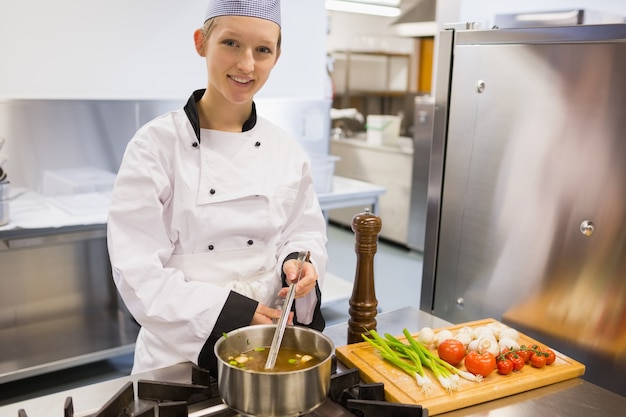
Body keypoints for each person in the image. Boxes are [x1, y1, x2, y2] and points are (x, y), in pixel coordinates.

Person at [107, 0, 327, 376]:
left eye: (262, 50)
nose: (246, 64)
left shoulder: (285, 149)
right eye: (231, 43)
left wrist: (299, 261)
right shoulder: (155, 146)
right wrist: (234, 314)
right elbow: (137, 272)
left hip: (269, 348)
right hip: (178, 357)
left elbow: (303, 229)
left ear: (276, 56)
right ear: (201, 42)